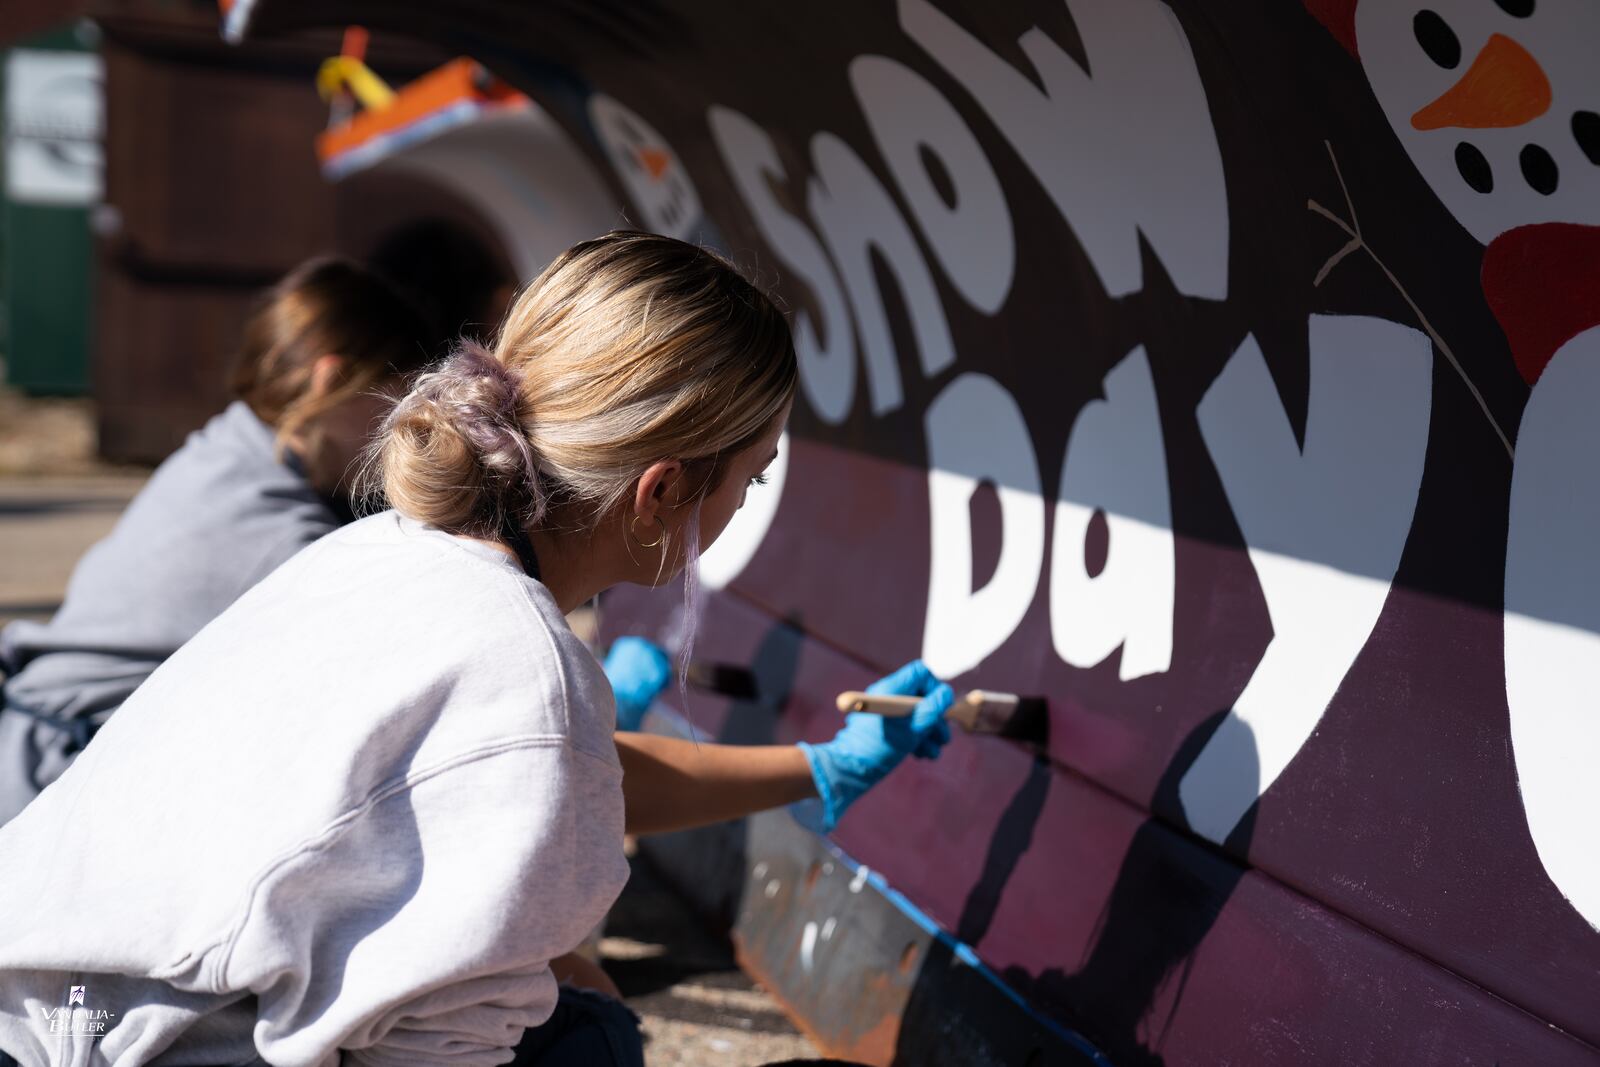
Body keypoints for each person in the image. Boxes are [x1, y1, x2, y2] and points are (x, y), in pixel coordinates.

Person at [0, 231, 953, 1067]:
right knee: (587, 1033)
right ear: (661, 491)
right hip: (135, 1044)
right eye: (754, 473)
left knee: (567, 985)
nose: (747, 502)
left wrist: (809, 769)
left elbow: (556, 774)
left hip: (49, 1004)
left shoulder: (374, 549)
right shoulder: (524, 669)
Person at [0, 257, 435, 826]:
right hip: (57, 784)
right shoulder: (277, 538)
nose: (402, 432)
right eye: (395, 401)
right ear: (330, 381)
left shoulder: (228, 447)